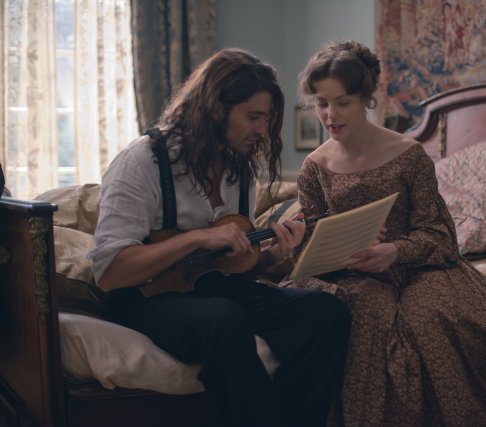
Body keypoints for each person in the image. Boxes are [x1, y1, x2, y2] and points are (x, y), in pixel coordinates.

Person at [286, 40, 486, 426]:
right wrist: (319, 243)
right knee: (363, 314)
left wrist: (394, 251)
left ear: (365, 99)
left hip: (420, 267)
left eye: (342, 102)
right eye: (321, 103)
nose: (330, 115)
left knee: (429, 318)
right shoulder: (314, 167)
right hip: (350, 273)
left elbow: (440, 236)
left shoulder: (409, 154)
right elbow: (313, 236)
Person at [87, 48, 351, 427]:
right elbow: (110, 272)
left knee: (326, 313)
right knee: (223, 319)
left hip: (214, 288)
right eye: (253, 117)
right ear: (215, 109)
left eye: (266, 118)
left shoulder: (238, 170)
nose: (263, 130)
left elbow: (233, 265)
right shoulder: (144, 160)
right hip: (146, 298)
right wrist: (196, 238)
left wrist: (274, 254)